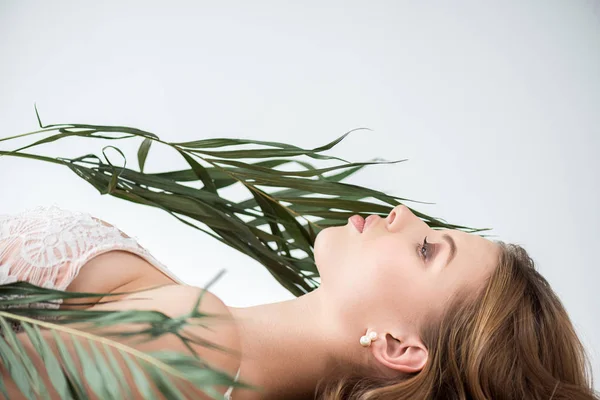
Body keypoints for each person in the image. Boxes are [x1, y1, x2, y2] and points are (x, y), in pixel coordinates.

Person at [0, 204, 598, 399]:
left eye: (425, 250)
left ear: (396, 345)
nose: (401, 213)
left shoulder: (199, 346)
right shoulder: (213, 346)